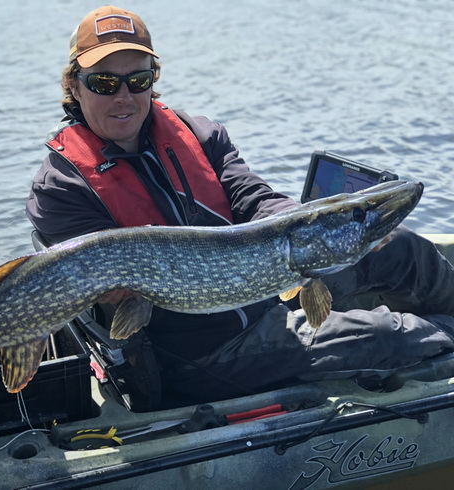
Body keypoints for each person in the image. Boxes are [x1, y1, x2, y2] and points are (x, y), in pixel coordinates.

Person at [26, 5, 454, 406]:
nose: (124, 96)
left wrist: (307, 228)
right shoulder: (60, 187)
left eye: (138, 80)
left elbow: (254, 197)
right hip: (200, 353)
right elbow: (105, 291)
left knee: (403, 247)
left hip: (260, 290)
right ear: (73, 86)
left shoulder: (199, 134)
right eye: (104, 82)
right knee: (385, 335)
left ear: (153, 80)